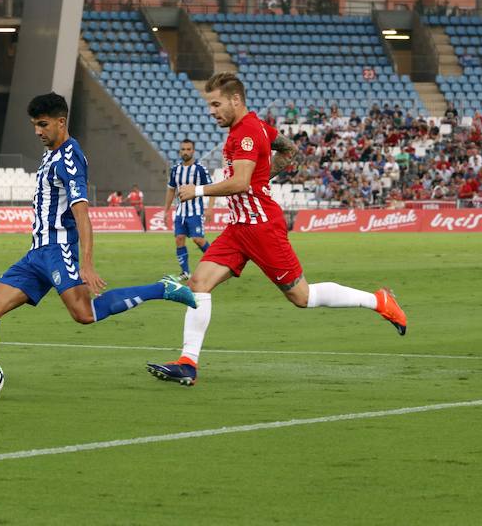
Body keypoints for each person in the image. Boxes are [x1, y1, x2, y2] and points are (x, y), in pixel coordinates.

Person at [0, 92, 198, 397]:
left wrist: (86, 263)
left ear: (61, 122)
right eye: (35, 125)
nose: (38, 131)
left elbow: (82, 214)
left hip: (58, 250)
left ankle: (163, 289)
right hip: (37, 253)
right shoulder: (51, 154)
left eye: (43, 124)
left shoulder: (70, 158)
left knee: (84, 314)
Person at [146, 73, 408, 387]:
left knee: (302, 296)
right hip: (239, 228)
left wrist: (198, 191)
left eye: (216, 104)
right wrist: (261, 177)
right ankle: (188, 363)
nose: (211, 111)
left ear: (235, 100)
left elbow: (241, 182)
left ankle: (379, 301)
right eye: (209, 105)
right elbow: (288, 151)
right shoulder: (257, 127)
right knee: (198, 283)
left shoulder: (244, 134)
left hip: (262, 229)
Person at [164, 139, 214, 280]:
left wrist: (210, 208)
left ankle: (217, 264)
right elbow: (170, 190)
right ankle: (185, 272)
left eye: (188, 149)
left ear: (193, 151)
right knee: (179, 239)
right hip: (180, 213)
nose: (185, 152)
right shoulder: (175, 170)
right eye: (183, 149)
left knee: (198, 240)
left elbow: (212, 189)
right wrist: (166, 210)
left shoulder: (200, 169)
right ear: (180, 151)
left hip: (195, 212)